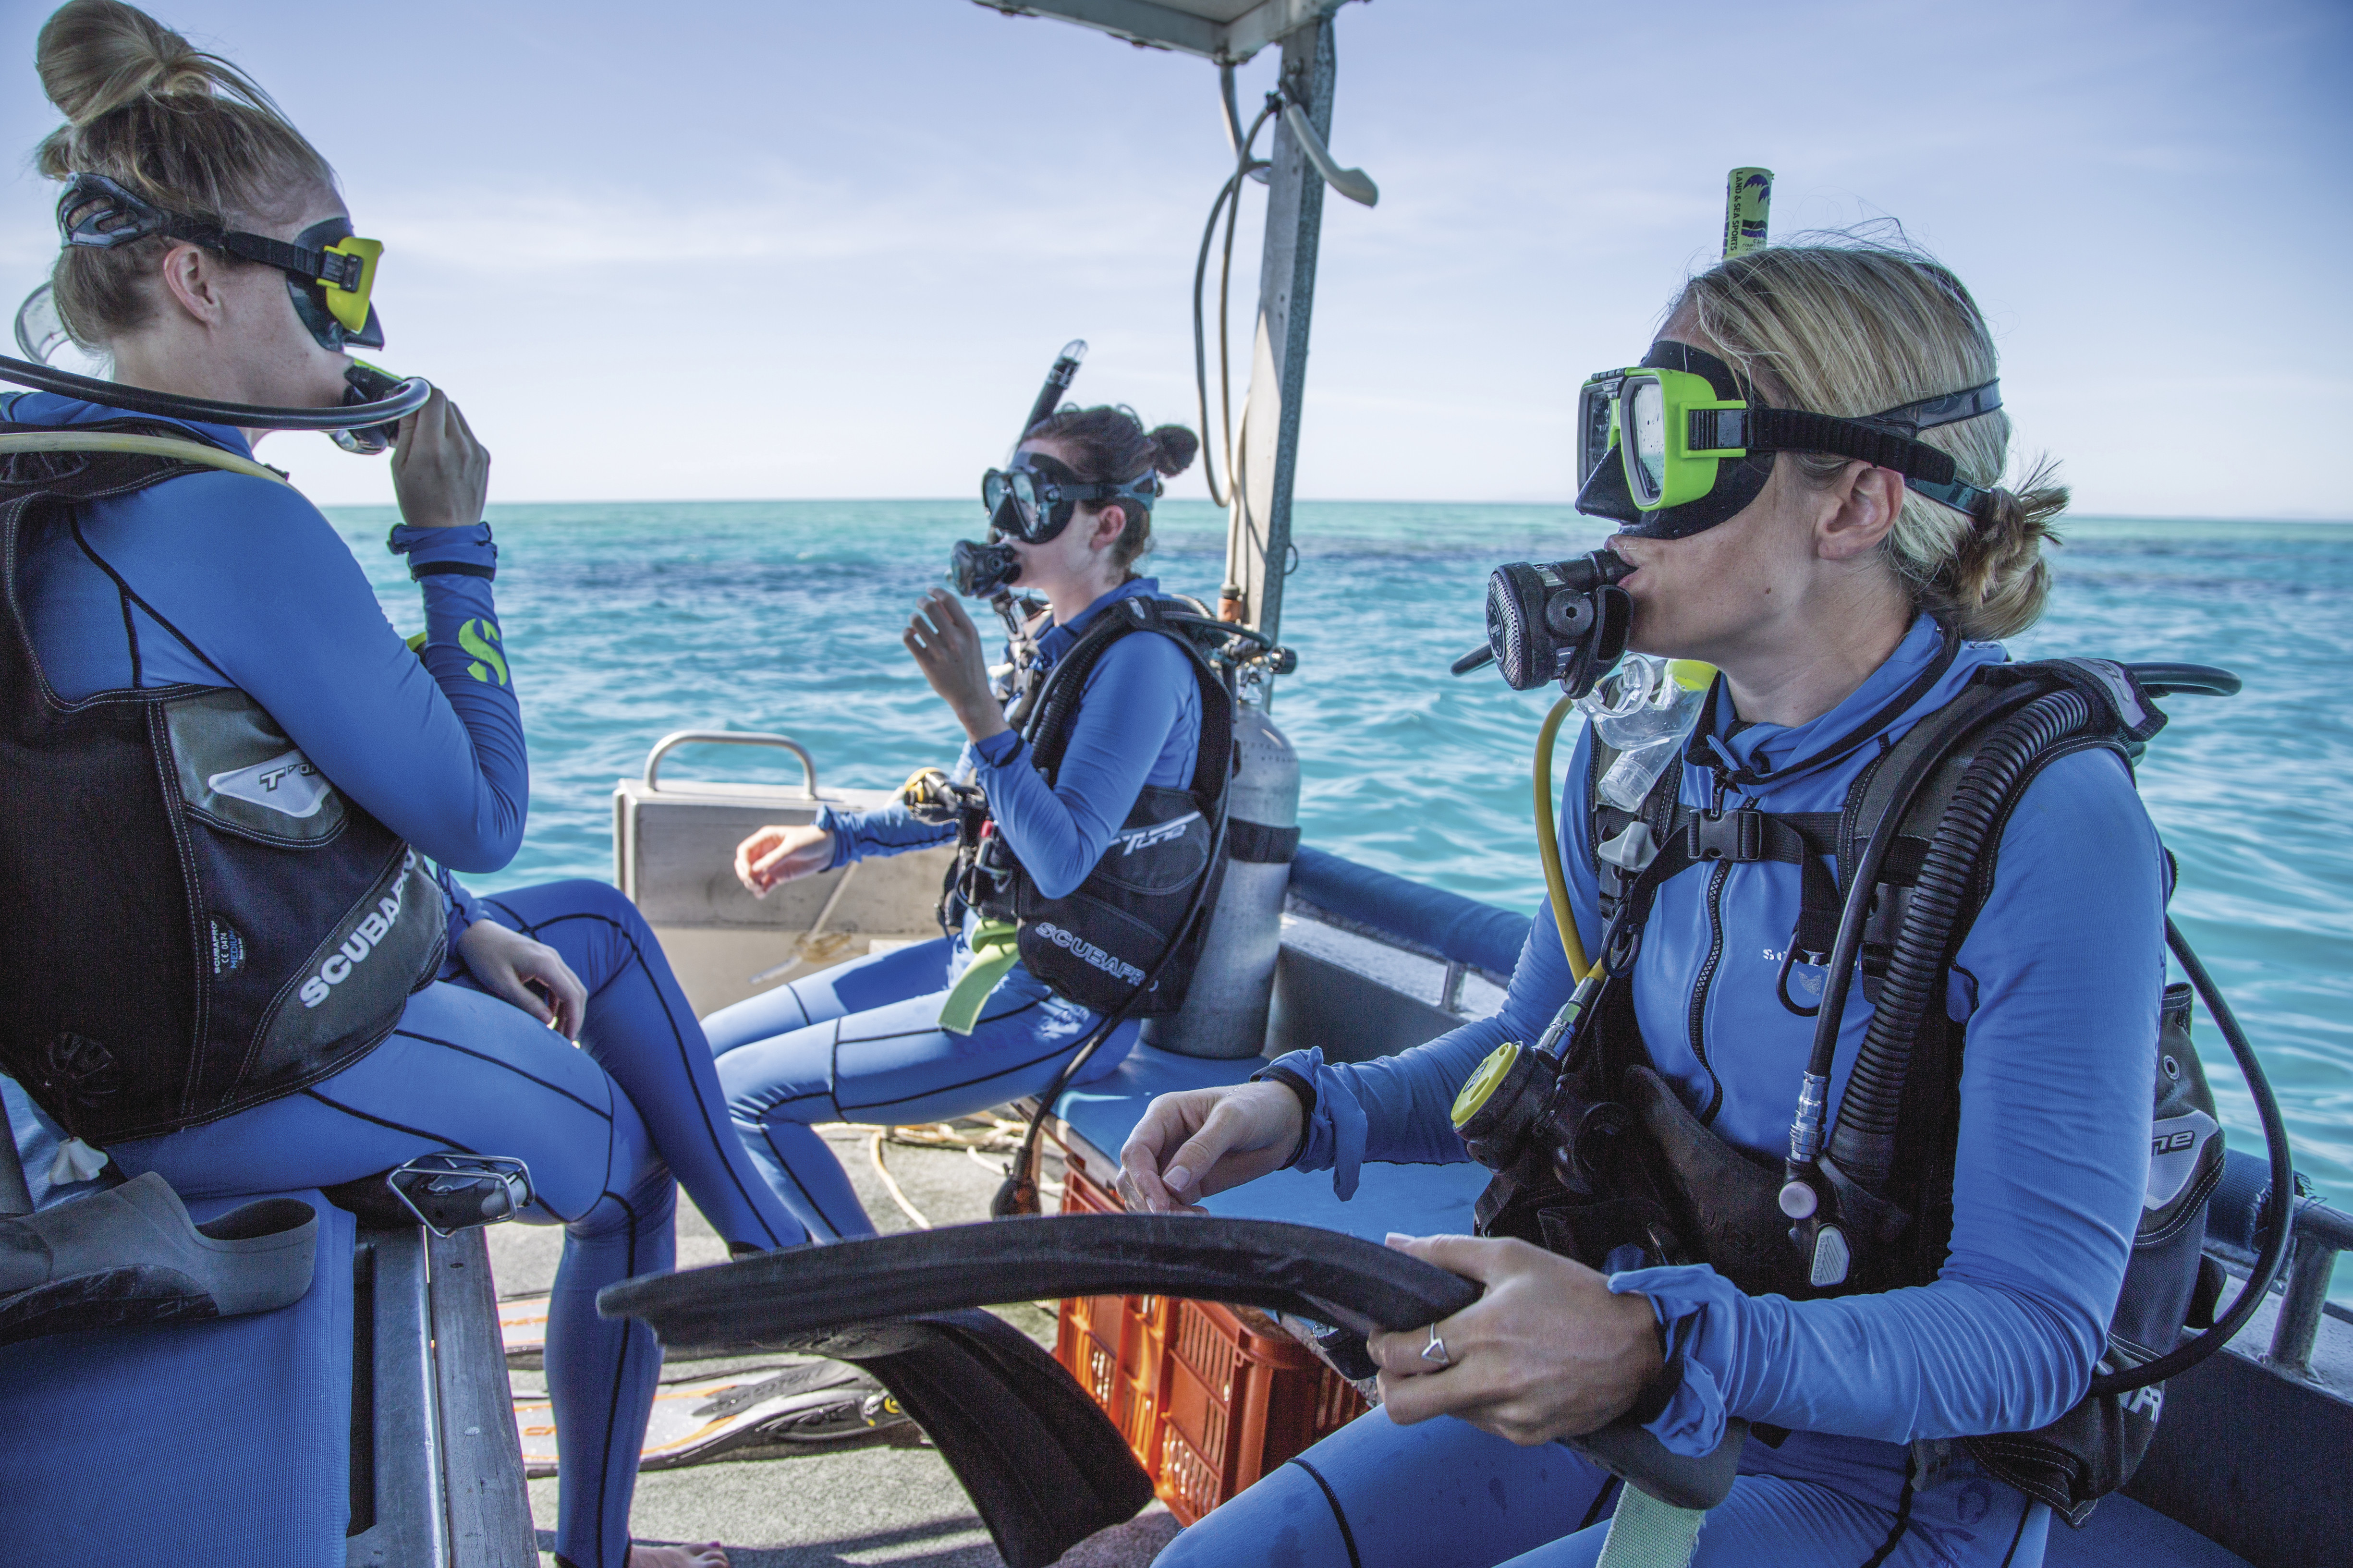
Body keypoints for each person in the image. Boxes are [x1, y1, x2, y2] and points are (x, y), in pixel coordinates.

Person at [1121, 241, 2162, 1568]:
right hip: (1643, 1371)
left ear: (1850, 505)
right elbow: (1524, 1061)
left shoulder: (2040, 820)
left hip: (1881, 1483)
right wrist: (1307, 1105)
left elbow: (2031, 1337)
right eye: (1609, 432)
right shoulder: (1639, 770)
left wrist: (1652, 1340)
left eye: (1668, 445)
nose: (1613, 507)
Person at [0, 7, 809, 1565]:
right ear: (198, 279)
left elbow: (198, 801)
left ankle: (809, 1273)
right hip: (231, 1084)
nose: (352, 314)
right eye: (337, 270)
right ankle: (631, 1505)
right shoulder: (225, 516)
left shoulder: (59, 462)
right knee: (630, 1163)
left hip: (132, 1035)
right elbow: (476, 803)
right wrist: (451, 531)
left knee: (583, 926)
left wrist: (449, 930)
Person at [708, 405, 1210, 1239]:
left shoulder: (1142, 663)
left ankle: (889, 1326)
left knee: (742, 1099)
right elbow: (976, 797)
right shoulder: (1057, 643)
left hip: (1058, 994)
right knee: (699, 1057)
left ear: (1105, 523)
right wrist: (840, 836)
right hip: (982, 956)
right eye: (1002, 492)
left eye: (1035, 498)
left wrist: (979, 710)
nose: (1007, 520)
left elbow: (1064, 860)